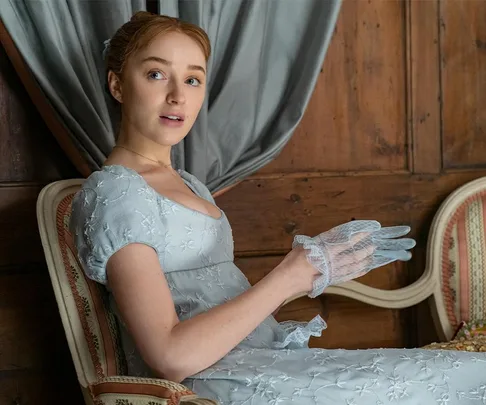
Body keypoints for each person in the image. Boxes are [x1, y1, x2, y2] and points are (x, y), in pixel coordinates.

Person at [70, 11, 486, 405]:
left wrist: (318, 269)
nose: (178, 96)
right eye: (156, 74)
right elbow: (170, 356)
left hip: (260, 360)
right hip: (211, 388)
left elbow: (213, 307)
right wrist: (289, 276)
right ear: (118, 85)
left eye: (193, 80)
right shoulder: (117, 192)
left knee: (466, 372)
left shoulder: (189, 184)